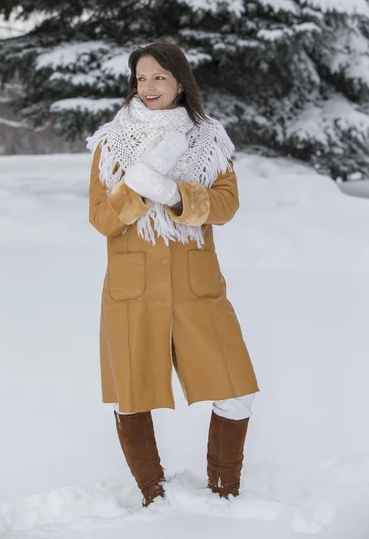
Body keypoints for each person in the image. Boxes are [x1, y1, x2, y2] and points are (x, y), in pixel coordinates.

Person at [87, 40, 259, 508]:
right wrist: (136, 189)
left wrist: (171, 191)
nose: (148, 87)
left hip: (196, 285)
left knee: (236, 389)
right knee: (132, 396)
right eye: (141, 78)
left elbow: (225, 204)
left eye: (159, 77)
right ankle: (153, 498)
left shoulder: (209, 139)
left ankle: (225, 496)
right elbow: (102, 218)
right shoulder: (110, 142)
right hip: (132, 287)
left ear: (181, 82)